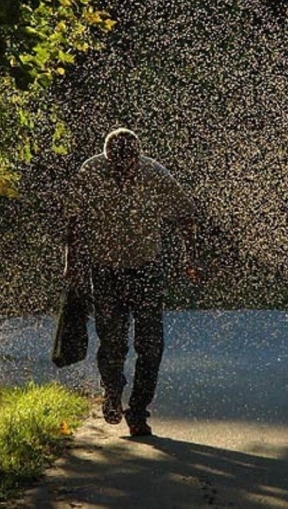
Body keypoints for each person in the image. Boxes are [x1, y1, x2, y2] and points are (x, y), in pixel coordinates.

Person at [65, 128, 200, 437]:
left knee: (151, 346)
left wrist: (190, 258)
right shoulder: (92, 171)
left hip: (146, 268)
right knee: (112, 341)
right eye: (117, 164)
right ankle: (112, 391)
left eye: (129, 163)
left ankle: (138, 410)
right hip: (105, 269)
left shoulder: (154, 173)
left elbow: (185, 216)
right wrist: (70, 261)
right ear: (107, 157)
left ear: (138, 157)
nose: (124, 171)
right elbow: (74, 218)